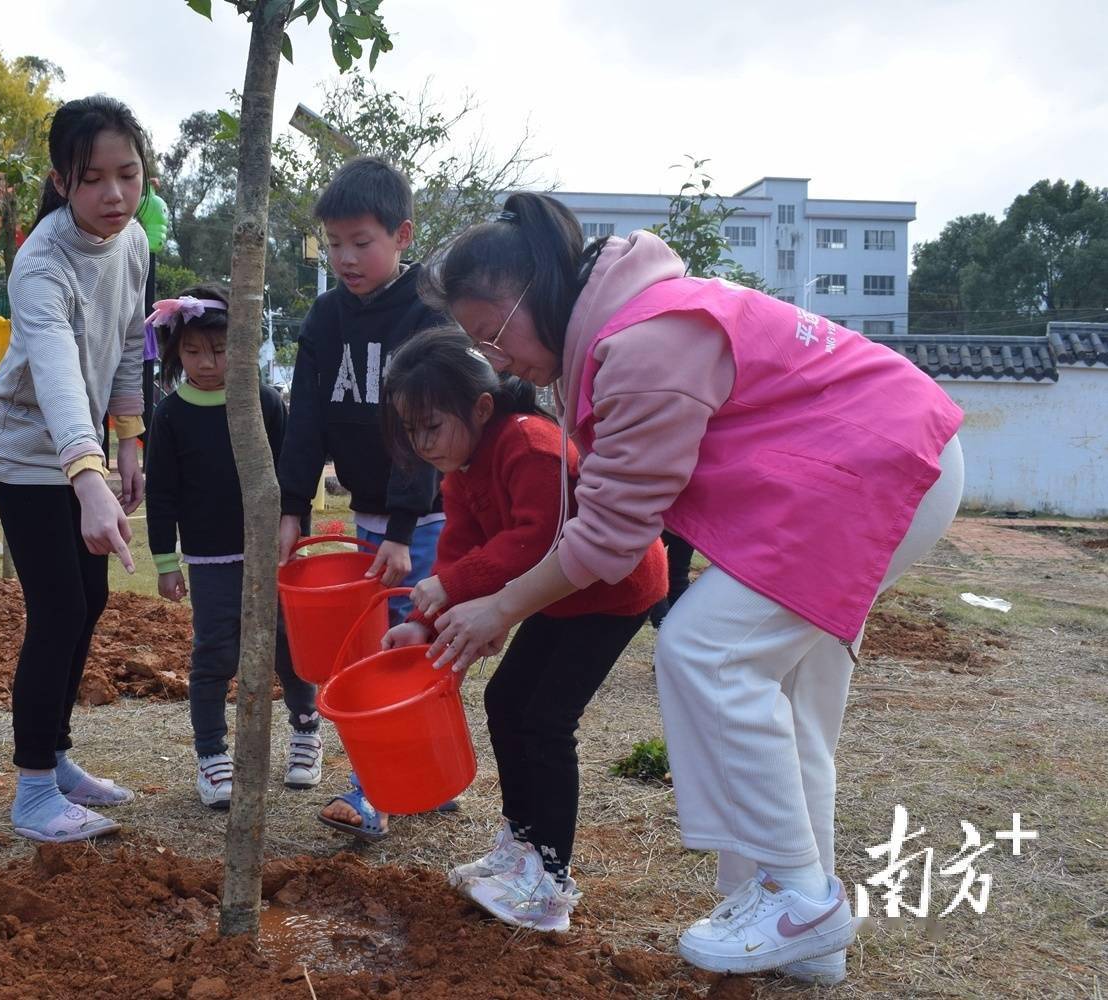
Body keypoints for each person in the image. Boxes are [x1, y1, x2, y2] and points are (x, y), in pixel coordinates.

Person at [421, 193, 964, 983]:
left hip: (881, 465)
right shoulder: (634, 323)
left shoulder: (643, 344)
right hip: (890, 458)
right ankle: (802, 935)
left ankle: (799, 897)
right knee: (790, 699)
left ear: (535, 291)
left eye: (492, 336)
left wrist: (500, 607)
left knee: (706, 648)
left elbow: (610, 539)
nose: (496, 361)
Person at [377, 328, 666, 932]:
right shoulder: (463, 464)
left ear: (480, 407)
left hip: (612, 592)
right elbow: (461, 543)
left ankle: (552, 881)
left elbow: (539, 537)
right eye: (410, 429)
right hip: (552, 597)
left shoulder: (530, 446)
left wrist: (454, 587)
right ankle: (521, 847)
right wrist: (421, 623)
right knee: (505, 699)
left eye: (431, 425)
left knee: (545, 720)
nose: (421, 442)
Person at [0, 95, 150, 844]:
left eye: (128, 174)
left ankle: (59, 756)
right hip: (25, 449)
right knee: (60, 612)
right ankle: (33, 790)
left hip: (82, 451)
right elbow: (53, 368)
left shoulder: (133, 239)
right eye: (91, 179)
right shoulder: (41, 263)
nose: (113, 195)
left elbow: (130, 336)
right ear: (61, 180)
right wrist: (88, 475)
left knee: (91, 600)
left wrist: (131, 439)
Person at [274, 156, 446, 840]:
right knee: (370, 651)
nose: (345, 257)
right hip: (367, 517)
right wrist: (294, 506)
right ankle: (409, 778)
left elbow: (426, 431)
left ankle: (376, 789)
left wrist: (404, 529)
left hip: (425, 517)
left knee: (406, 650)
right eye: (334, 243)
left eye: (362, 242)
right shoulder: (325, 318)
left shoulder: (427, 313)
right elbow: (307, 417)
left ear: (402, 235)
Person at [144, 286, 322, 810]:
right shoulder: (170, 415)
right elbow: (162, 492)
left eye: (219, 351)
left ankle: (307, 730)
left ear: (240, 348)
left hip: (273, 553)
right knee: (214, 652)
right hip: (209, 558)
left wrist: (298, 537)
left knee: (292, 647)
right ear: (177, 354)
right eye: (193, 352)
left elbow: (292, 476)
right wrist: (165, 561)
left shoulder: (265, 402)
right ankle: (211, 753)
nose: (206, 362)